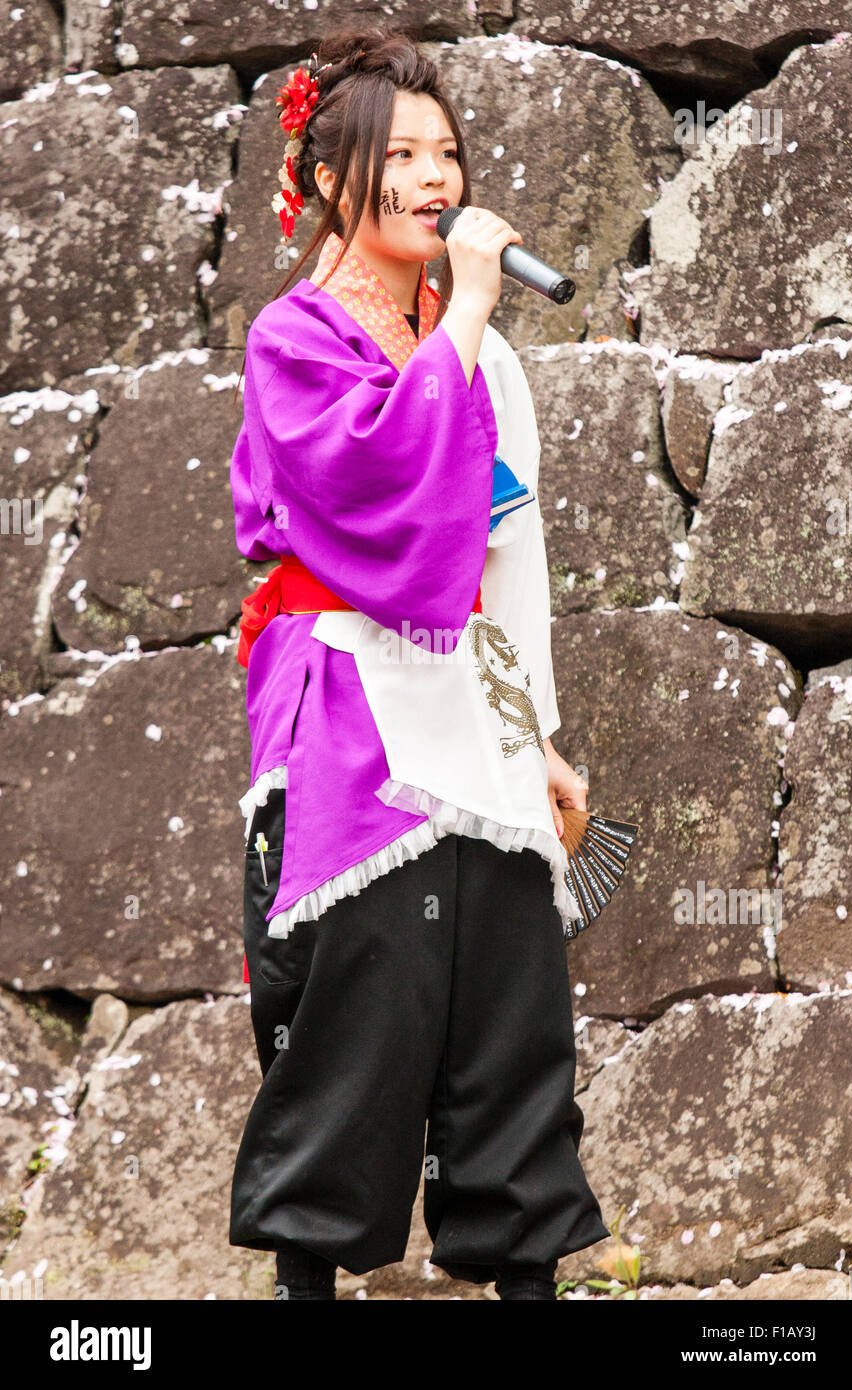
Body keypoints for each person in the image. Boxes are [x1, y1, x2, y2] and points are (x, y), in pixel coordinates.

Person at [227, 26, 610, 1301]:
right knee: (358, 1021)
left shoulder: (477, 351)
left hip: (472, 718)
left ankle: (523, 1282)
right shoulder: (294, 339)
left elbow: (497, 565)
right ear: (331, 178)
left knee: (509, 1024)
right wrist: (477, 311)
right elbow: (377, 485)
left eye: (447, 152)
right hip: (350, 708)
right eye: (400, 155)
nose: (437, 178)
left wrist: (535, 736)